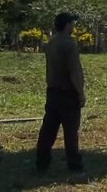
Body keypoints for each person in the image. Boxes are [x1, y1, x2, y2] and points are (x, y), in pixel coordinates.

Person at [36, 13, 86, 181]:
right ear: (66, 25)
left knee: (47, 131)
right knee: (71, 132)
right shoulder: (69, 45)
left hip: (52, 92)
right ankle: (74, 165)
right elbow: (74, 72)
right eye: (72, 23)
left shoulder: (50, 44)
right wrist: (81, 93)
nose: (74, 26)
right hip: (68, 94)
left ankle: (41, 163)